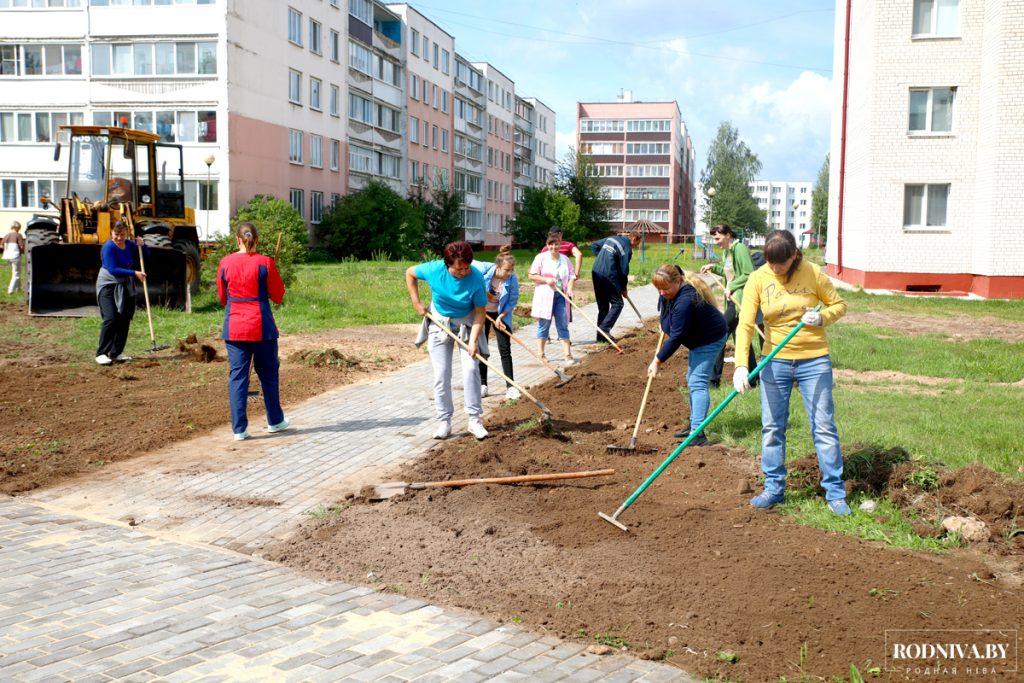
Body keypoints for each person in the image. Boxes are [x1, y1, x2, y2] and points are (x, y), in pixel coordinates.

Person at [733, 229, 851, 515]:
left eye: (781, 265)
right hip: (774, 361)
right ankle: (774, 487)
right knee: (773, 427)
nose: (775, 270)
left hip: (814, 360)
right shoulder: (759, 278)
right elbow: (746, 323)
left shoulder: (812, 272)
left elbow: (839, 305)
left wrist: (821, 316)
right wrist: (740, 364)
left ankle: (835, 492)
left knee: (823, 426)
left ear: (794, 256)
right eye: (771, 264)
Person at [407, 241, 489, 440]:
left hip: (468, 324)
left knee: (471, 369)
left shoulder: (476, 278)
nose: (463, 272)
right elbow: (409, 273)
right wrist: (416, 302)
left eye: (466, 268)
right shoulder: (434, 269)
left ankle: (474, 420)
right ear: (447, 265)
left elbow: (480, 313)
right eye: (458, 269)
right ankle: (444, 421)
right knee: (441, 374)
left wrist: (473, 341)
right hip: (440, 322)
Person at [217, 222, 288, 441]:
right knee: (268, 374)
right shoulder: (265, 262)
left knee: (237, 377)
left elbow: (221, 298)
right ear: (256, 240)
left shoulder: (225, 262)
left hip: (235, 327)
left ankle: (239, 429)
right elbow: (278, 296)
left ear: (237, 240)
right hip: (261, 327)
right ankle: (274, 421)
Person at [647, 265, 729, 444]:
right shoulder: (668, 292)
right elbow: (664, 308)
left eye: (665, 288)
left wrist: (657, 361)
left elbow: (677, 337)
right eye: (658, 289)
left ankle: (698, 433)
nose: (661, 293)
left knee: (697, 381)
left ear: (678, 281)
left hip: (710, 339)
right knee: (692, 378)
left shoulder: (686, 300)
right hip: (698, 339)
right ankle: (694, 425)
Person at [701, 224, 759, 388]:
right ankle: (754, 377)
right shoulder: (727, 251)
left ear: (727, 235)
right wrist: (714, 267)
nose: (716, 242)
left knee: (718, 333)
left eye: (718, 238)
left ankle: (713, 380)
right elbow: (731, 273)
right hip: (732, 301)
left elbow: (749, 274)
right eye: (714, 239)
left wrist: (732, 287)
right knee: (741, 337)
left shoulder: (739, 248)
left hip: (740, 301)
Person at [472, 245, 521, 400]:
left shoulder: (512, 279)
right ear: (498, 267)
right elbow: (469, 263)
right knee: (482, 348)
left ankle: (510, 387)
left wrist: (501, 316)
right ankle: (482, 385)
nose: (509, 273)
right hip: (481, 313)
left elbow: (512, 300)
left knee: (505, 350)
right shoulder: (485, 270)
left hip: (500, 314)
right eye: (506, 270)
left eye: (511, 270)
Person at [95, 221, 147, 366]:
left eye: (122, 234)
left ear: (126, 233)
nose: (119, 237)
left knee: (125, 318)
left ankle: (116, 352)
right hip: (108, 286)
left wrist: (143, 245)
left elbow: (146, 255)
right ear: (111, 233)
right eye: (116, 234)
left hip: (125, 286)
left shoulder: (129, 244)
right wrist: (134, 272)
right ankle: (101, 353)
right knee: (111, 318)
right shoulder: (108, 247)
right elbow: (112, 269)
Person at [529, 233, 577, 366]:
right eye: (551, 244)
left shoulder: (565, 259)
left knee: (563, 324)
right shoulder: (541, 258)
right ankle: (541, 354)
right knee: (544, 325)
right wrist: (545, 279)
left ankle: (568, 355)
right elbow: (531, 275)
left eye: (556, 244)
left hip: (561, 296)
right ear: (547, 245)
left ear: (560, 245)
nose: (554, 247)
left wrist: (570, 288)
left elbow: (572, 275)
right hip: (545, 295)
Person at [590, 229, 642, 342]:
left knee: (603, 307)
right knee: (618, 303)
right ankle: (604, 328)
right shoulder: (627, 249)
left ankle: (601, 339)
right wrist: (624, 288)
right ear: (633, 239)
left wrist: (604, 259)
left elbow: (594, 246)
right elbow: (624, 271)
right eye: (637, 243)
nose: (636, 246)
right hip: (609, 276)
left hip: (596, 272)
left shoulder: (611, 238)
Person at [3, 221, 26, 295]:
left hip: (7, 257)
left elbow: (1, 245)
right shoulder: (18, 235)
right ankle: (10, 290)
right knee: (16, 274)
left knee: (16, 272)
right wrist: (23, 251)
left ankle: (18, 289)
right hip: (15, 256)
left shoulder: (7, 235)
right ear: (17, 227)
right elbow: (22, 246)